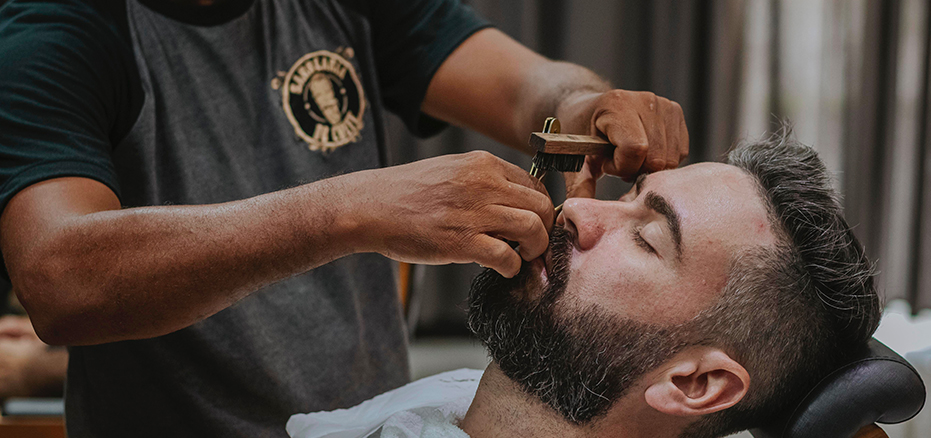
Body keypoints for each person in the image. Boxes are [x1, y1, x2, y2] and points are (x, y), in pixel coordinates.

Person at [0, 0, 688, 437]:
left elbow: (526, 87)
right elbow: (61, 278)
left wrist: (581, 104)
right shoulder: (56, 32)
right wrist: (351, 209)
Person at [287, 132, 882, 438]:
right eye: (627, 198)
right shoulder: (473, 397)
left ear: (695, 382)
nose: (576, 210)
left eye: (648, 238)